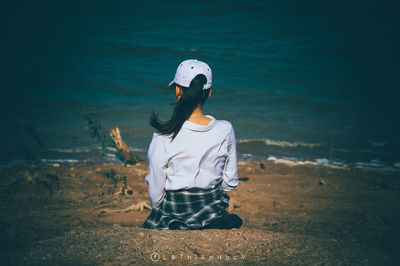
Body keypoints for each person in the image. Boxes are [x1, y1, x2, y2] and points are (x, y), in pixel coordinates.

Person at [141, 59, 242, 230]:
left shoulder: (162, 136)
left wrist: (161, 211)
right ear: (209, 93)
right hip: (212, 212)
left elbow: (156, 193)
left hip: (173, 214)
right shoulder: (225, 129)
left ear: (178, 90)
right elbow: (229, 182)